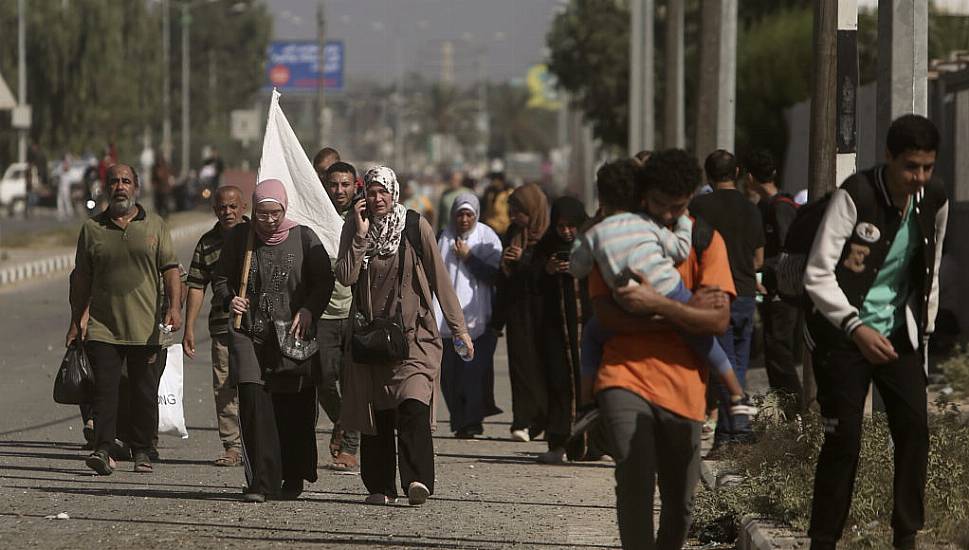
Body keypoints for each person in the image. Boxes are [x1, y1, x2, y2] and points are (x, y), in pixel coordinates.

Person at [804, 114, 948, 550]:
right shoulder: (858, 195)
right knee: (844, 440)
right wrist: (855, 327)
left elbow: (930, 269)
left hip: (898, 333)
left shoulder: (934, 199)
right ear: (888, 157)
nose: (918, 177)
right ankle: (824, 539)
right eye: (910, 167)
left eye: (926, 167)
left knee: (914, 429)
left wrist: (925, 331)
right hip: (842, 334)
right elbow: (816, 273)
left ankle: (906, 534)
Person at [590, 149, 736, 549]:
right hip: (624, 376)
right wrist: (686, 314)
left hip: (685, 388)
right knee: (634, 479)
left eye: (679, 206)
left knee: (680, 504)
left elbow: (718, 321)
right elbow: (605, 314)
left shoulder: (705, 241)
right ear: (643, 196)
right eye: (658, 204)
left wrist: (657, 306)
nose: (668, 215)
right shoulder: (618, 236)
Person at [336, 166, 472, 506]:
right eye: (371, 191)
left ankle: (416, 480)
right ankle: (380, 486)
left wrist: (459, 330)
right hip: (371, 340)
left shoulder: (414, 226)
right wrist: (360, 236)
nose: (377, 198)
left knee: (412, 404)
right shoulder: (355, 226)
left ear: (394, 192)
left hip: (414, 338)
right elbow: (346, 276)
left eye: (383, 191)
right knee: (379, 413)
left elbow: (441, 280)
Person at [214, 179, 335, 503]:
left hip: (291, 337)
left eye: (275, 213)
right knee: (254, 402)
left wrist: (309, 309)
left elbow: (324, 280)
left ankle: (292, 474)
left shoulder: (304, 238)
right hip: (249, 334)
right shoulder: (242, 237)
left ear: (284, 208)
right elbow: (222, 278)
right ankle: (260, 482)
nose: (268, 220)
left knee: (292, 407)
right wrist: (230, 300)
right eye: (262, 214)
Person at [67, 164, 182, 475]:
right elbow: (81, 279)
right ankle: (103, 449)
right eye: (114, 181)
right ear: (106, 188)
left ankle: (143, 449)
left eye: (126, 181)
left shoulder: (155, 226)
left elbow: (171, 270)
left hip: (147, 329)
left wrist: (175, 309)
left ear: (136, 187)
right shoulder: (92, 229)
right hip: (104, 328)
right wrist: (76, 320)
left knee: (144, 393)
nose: (120, 186)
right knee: (105, 391)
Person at [691, 149, 765, 448]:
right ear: (736, 173)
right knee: (737, 365)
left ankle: (738, 431)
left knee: (723, 365)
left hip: (713, 293)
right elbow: (759, 259)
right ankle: (729, 434)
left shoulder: (698, 206)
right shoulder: (751, 209)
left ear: (708, 174)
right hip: (745, 293)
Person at [183, 186, 247, 467]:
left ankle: (258, 441)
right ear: (215, 210)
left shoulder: (256, 236)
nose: (228, 212)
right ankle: (232, 445)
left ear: (242, 207)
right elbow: (196, 285)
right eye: (222, 208)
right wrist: (188, 329)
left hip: (255, 329)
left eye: (233, 207)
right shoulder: (207, 243)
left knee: (256, 386)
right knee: (224, 387)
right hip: (222, 328)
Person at [435, 192, 503, 439]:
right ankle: (460, 420)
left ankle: (473, 420)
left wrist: (469, 258)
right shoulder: (443, 237)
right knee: (450, 374)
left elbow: (495, 275)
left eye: (469, 214)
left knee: (473, 373)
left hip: (479, 317)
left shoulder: (487, 237)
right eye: (460, 214)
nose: (464, 220)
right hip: (447, 319)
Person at [534, 196, 593, 463]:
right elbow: (530, 284)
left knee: (592, 385)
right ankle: (559, 445)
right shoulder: (545, 247)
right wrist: (547, 270)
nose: (567, 232)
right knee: (559, 386)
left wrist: (581, 271)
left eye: (572, 226)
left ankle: (595, 447)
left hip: (589, 330)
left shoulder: (593, 244)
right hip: (556, 331)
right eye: (561, 226)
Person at [746, 149, 803, 410]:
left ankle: (796, 409)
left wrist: (771, 275)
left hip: (782, 291)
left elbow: (787, 251)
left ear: (749, 178)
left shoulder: (780, 207)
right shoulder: (764, 206)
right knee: (772, 350)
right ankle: (787, 408)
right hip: (770, 288)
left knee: (779, 349)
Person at [315, 160, 361, 471]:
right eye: (333, 185)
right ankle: (343, 421)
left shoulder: (363, 217)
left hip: (356, 313)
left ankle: (350, 447)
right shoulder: (313, 217)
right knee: (324, 380)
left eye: (345, 185)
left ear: (354, 186)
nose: (339, 190)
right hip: (323, 314)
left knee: (354, 382)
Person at [497, 183, 550, 442]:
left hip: (542, 310)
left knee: (541, 365)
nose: (515, 217)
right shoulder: (513, 233)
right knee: (519, 366)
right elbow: (504, 278)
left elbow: (546, 273)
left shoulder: (550, 235)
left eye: (519, 211)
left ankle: (543, 417)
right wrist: (507, 262)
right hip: (517, 309)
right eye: (513, 211)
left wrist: (525, 260)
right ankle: (522, 420)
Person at [480, 172, 512, 236]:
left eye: (494, 180)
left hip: (504, 227)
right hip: (490, 225)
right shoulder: (489, 192)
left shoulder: (508, 193)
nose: (492, 182)